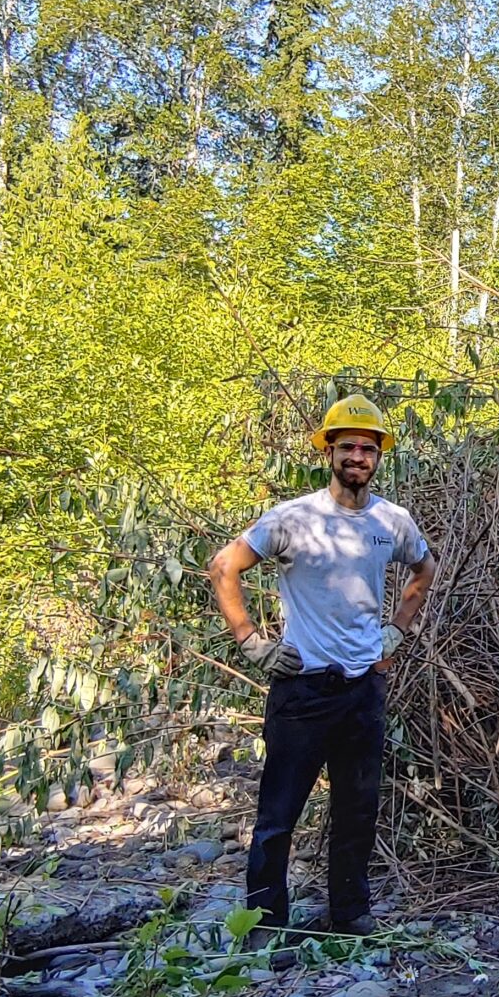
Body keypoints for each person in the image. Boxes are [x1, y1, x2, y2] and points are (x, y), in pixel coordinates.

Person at [206, 393, 437, 937]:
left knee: (357, 810)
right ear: (328, 452)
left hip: (362, 691)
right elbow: (223, 566)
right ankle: (264, 922)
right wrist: (251, 641)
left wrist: (396, 631)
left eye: (368, 448)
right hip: (302, 689)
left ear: (380, 456)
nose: (358, 456)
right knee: (277, 815)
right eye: (348, 446)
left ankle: (350, 912)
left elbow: (425, 570)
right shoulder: (295, 519)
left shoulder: (392, 521)